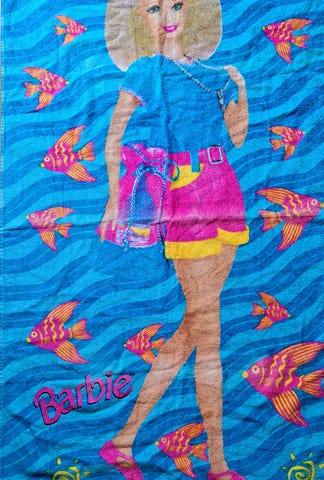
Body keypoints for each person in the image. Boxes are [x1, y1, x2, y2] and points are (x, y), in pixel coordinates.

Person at [99, 1, 249, 479]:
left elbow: (237, 138)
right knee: (208, 330)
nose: (168, 14)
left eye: (178, 3)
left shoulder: (214, 75)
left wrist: (241, 89)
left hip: (225, 192)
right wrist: (114, 201)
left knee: (195, 326)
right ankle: (218, 465)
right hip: (184, 201)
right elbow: (114, 138)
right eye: (153, 7)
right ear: (138, 18)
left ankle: (123, 441)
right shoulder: (144, 72)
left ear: (195, 11)